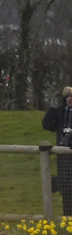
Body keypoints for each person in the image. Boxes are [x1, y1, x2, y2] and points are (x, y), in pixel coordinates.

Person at [42, 87, 72, 216]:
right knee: (66, 190)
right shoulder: (61, 112)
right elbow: (47, 125)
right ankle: (68, 224)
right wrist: (52, 108)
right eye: (68, 97)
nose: (70, 99)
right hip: (63, 157)